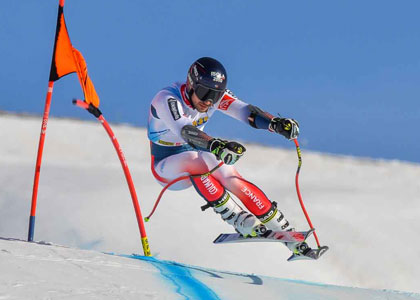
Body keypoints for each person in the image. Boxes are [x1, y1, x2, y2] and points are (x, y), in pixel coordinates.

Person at [147, 57, 311, 258]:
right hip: (166, 166)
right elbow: (186, 130)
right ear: (190, 84)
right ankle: (239, 219)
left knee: (225, 170)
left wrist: (274, 123)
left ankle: (287, 233)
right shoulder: (167, 99)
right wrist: (216, 145)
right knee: (197, 161)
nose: (208, 101)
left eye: (215, 96)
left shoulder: (213, 99)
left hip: (197, 150)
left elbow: (246, 112)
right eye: (204, 93)